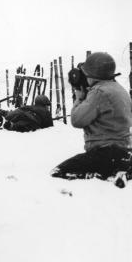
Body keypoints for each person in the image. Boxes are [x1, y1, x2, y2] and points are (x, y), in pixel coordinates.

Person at [51, 52, 132, 188]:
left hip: (105, 153)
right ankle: (123, 171)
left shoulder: (99, 92)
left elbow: (77, 120)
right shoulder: (119, 89)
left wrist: (79, 97)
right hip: (125, 151)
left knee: (59, 172)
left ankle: (105, 175)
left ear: (93, 75)